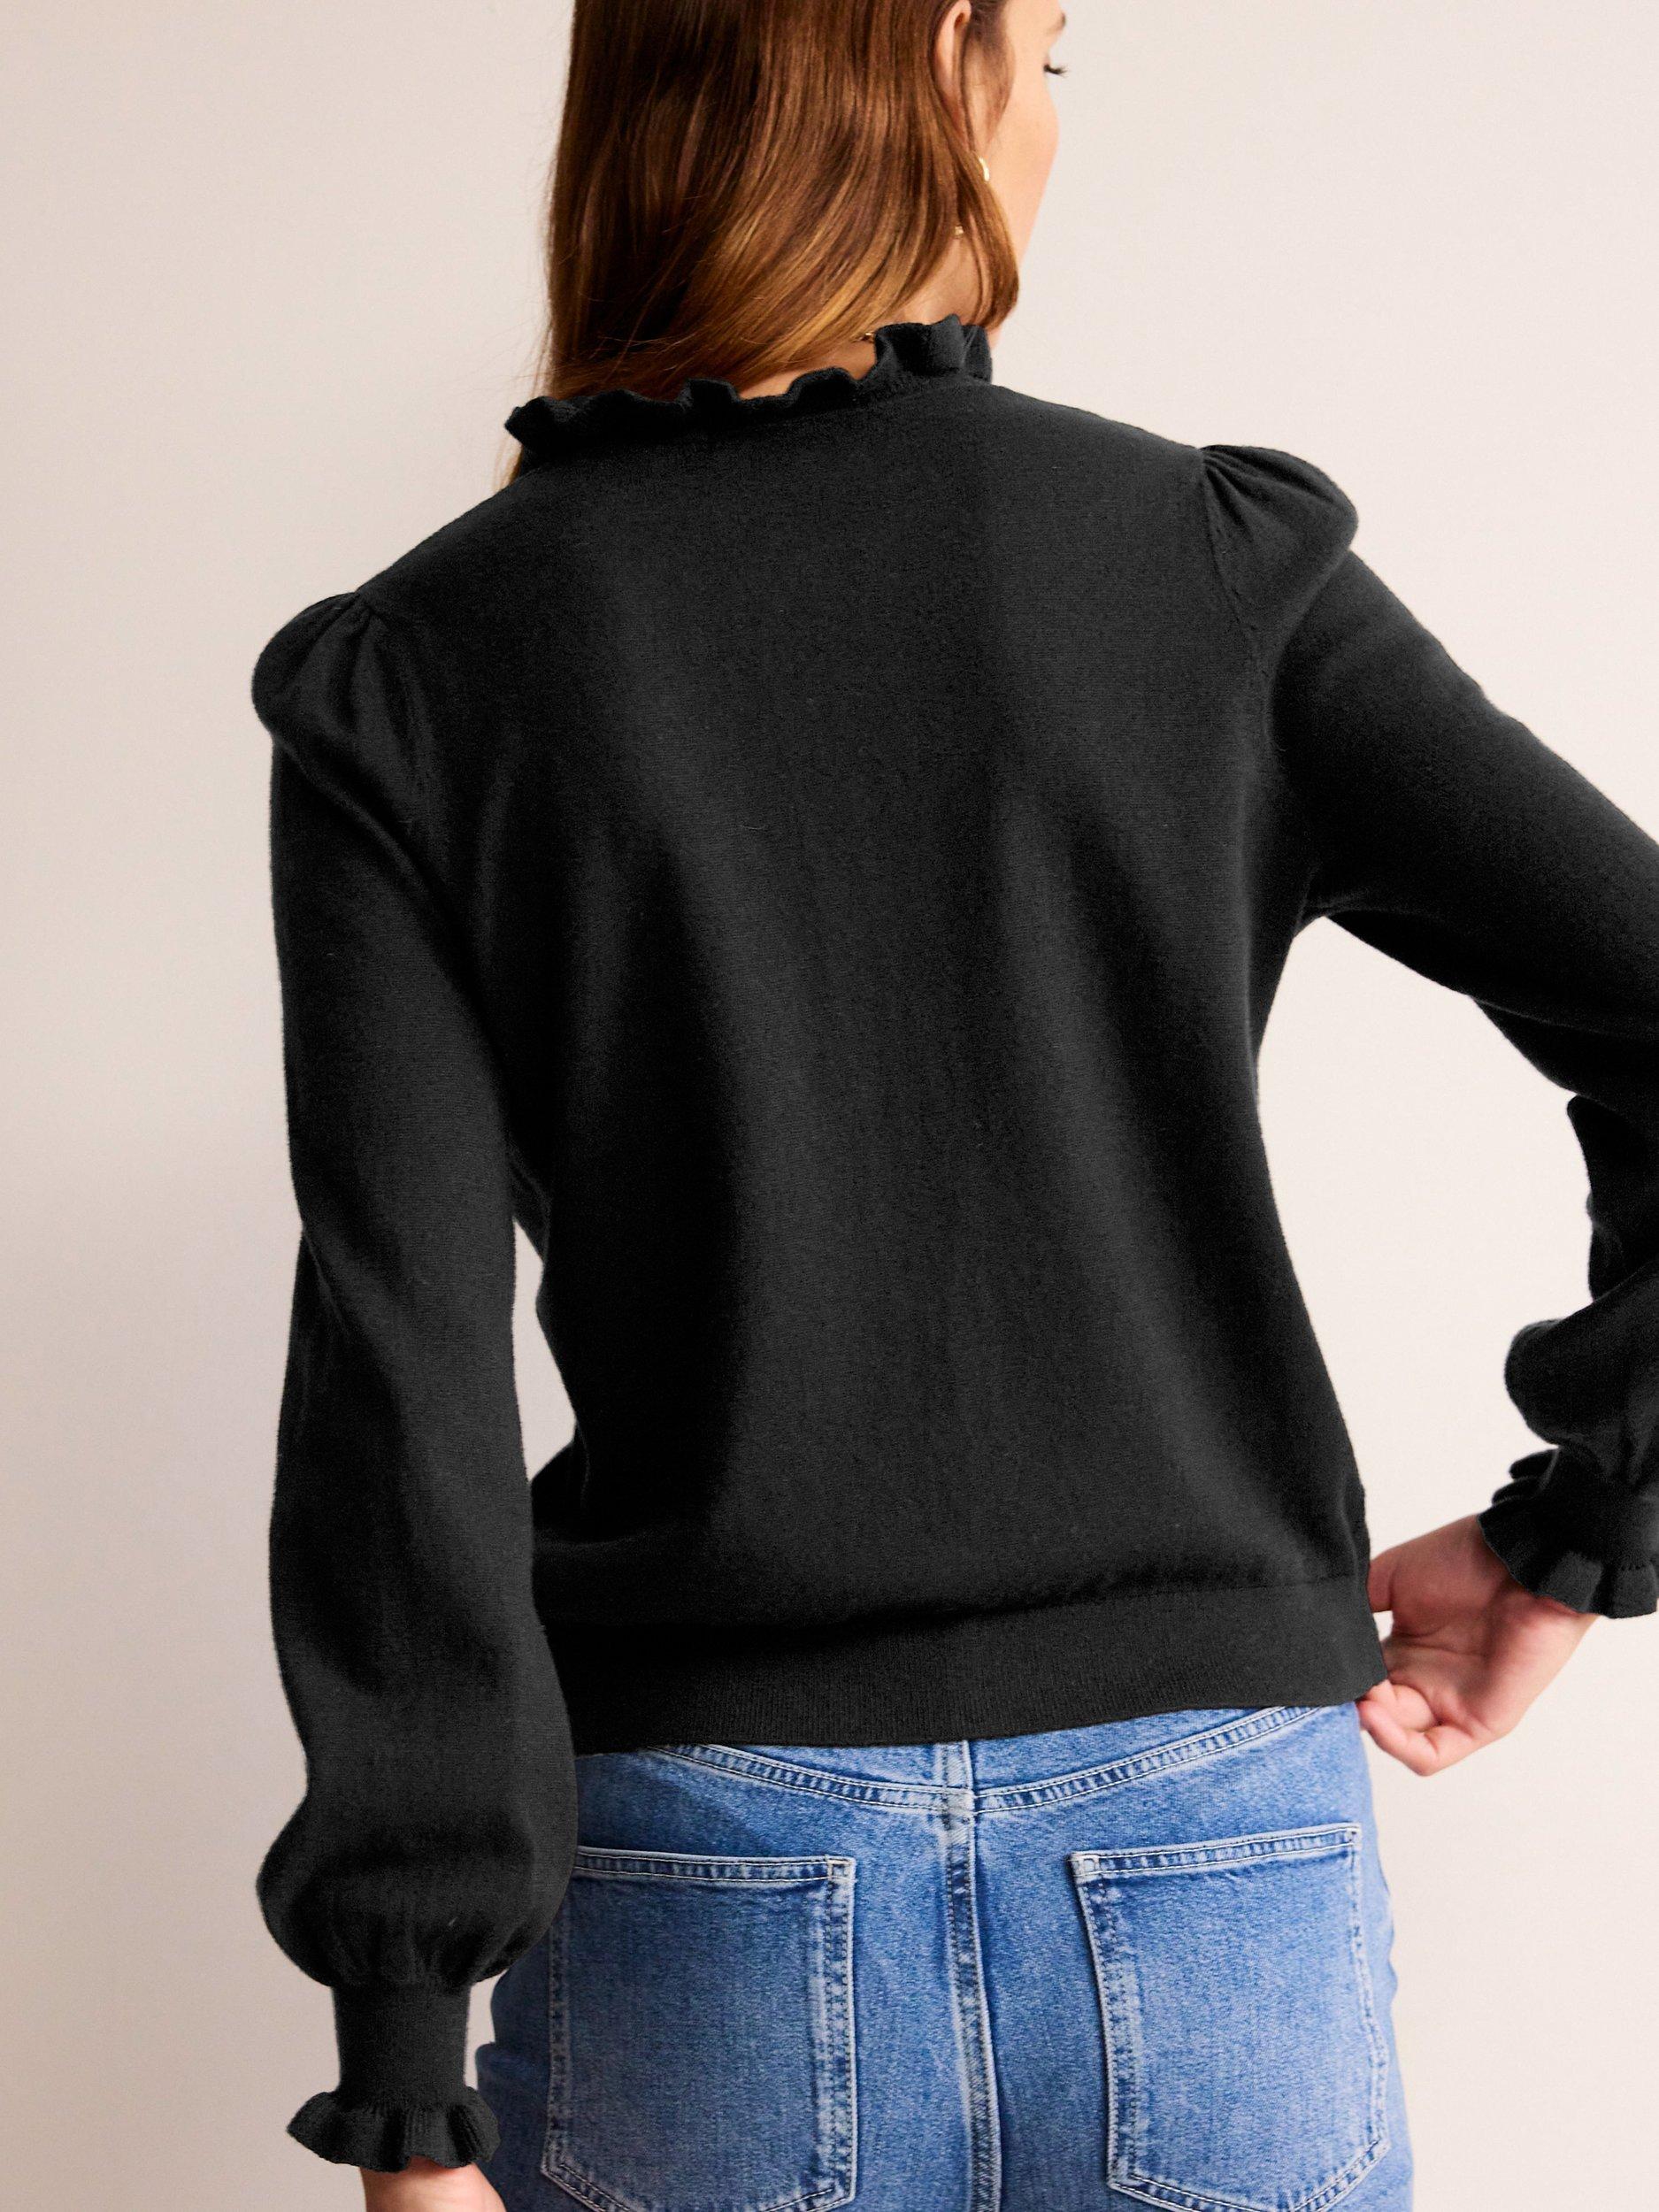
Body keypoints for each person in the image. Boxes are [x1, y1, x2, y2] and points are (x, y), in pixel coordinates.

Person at [248, 2, 1659, 2207]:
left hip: (700, 1868)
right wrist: (1572, 1525)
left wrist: (409, 2062)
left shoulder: (420, 671)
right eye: (1049, 57)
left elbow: (395, 1363)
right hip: (1217, 1847)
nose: (1045, 123)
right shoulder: (1196, 564)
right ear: (940, 55)